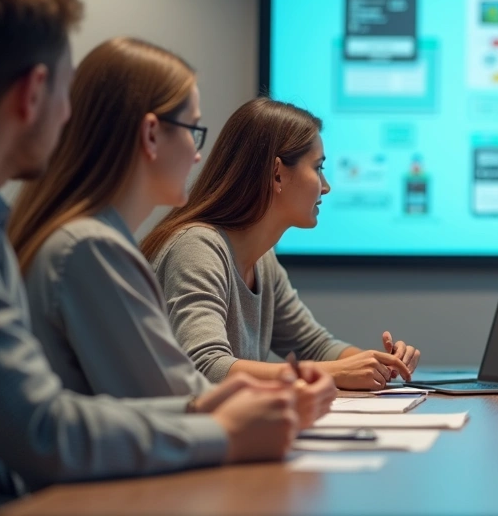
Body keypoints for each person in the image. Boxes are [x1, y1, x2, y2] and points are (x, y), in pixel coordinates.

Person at [0, 0, 296, 515]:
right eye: (65, 93)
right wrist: (224, 431)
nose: (67, 116)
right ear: (33, 92)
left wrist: (215, 412)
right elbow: (41, 429)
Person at [8, 37, 336, 427]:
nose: (198, 154)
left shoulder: (92, 242)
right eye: (192, 129)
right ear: (150, 135)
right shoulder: (90, 247)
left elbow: (176, 403)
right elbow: (182, 402)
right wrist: (276, 402)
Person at [141, 97, 422, 391]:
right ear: (277, 173)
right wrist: (335, 371)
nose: (326, 186)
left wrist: (378, 364)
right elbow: (206, 368)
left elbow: (315, 346)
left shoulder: (263, 259)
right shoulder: (196, 247)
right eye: (318, 168)